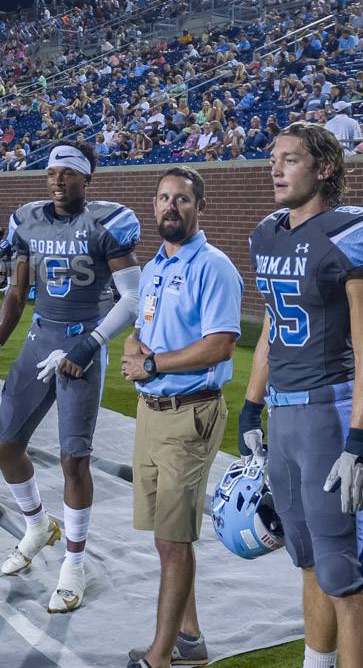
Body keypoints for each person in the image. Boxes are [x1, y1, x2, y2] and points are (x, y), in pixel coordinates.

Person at [238, 123, 363, 668]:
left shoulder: (352, 234)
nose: (275, 169)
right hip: (282, 420)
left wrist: (360, 442)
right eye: (272, 159)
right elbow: (270, 330)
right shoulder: (269, 233)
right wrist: (250, 406)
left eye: (289, 159)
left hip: (327, 416)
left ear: (325, 168)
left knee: (341, 575)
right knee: (306, 560)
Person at [0, 141, 141, 614]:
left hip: (82, 341)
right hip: (38, 337)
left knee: (74, 459)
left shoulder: (105, 223)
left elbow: (131, 298)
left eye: (68, 173)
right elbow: (15, 290)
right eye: (51, 172)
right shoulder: (28, 220)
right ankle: (36, 525)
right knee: (4, 445)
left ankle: (75, 561)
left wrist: (89, 345)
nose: (57, 180)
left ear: (86, 179)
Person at [121, 167, 242, 668]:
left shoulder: (212, 266)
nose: (171, 207)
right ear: (154, 205)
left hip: (189, 413)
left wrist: (152, 364)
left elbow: (220, 344)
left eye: (183, 200)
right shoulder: (154, 266)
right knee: (164, 537)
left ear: (200, 208)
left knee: (174, 541)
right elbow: (140, 329)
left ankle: (160, 657)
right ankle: (189, 637)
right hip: (151, 413)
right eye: (164, 198)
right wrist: (134, 349)